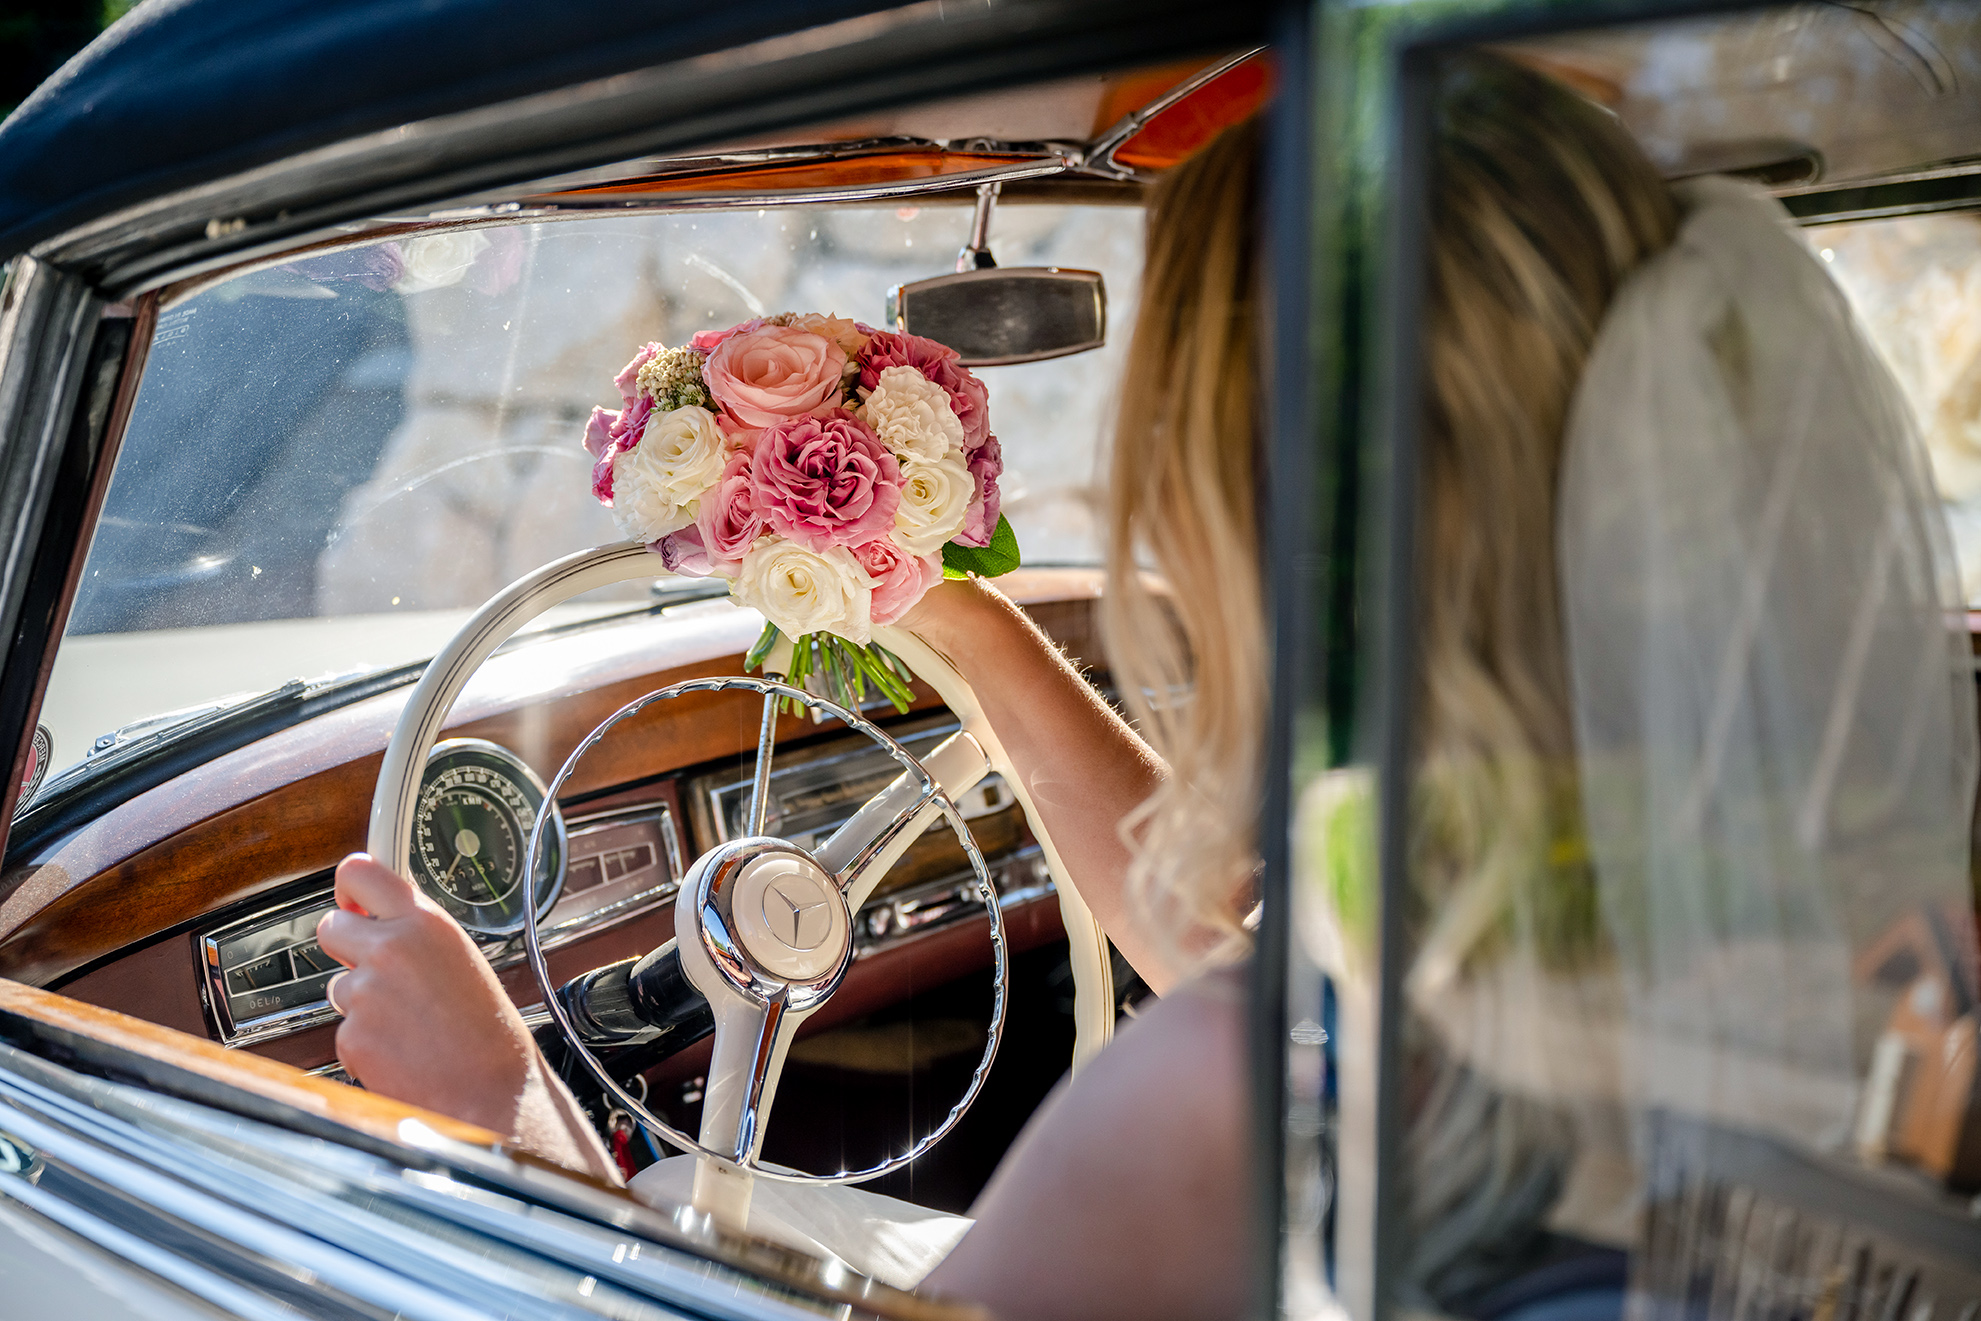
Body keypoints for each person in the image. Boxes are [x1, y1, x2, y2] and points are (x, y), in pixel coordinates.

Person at [314, 47, 1979, 1321]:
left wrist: (512, 1117)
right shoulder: (1871, 949)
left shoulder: (1204, 1109)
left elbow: (1252, 1035)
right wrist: (950, 619)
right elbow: (1286, 990)